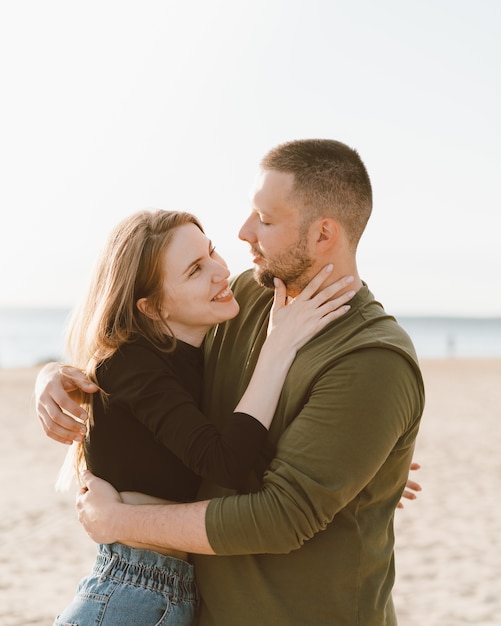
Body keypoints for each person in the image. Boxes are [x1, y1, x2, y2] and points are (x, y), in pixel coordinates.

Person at [36, 139, 425, 625]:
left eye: (265, 219)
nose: (243, 233)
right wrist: (57, 376)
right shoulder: (245, 298)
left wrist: (119, 521)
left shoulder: (373, 360)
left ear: (324, 233)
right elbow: (162, 375)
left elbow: (282, 515)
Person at [46, 208, 354, 626]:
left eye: (211, 253)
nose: (221, 271)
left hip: (169, 596)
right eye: (195, 270)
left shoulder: (202, 358)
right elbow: (224, 461)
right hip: (129, 595)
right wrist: (279, 345)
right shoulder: (131, 363)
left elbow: (251, 438)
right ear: (152, 306)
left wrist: (345, 458)